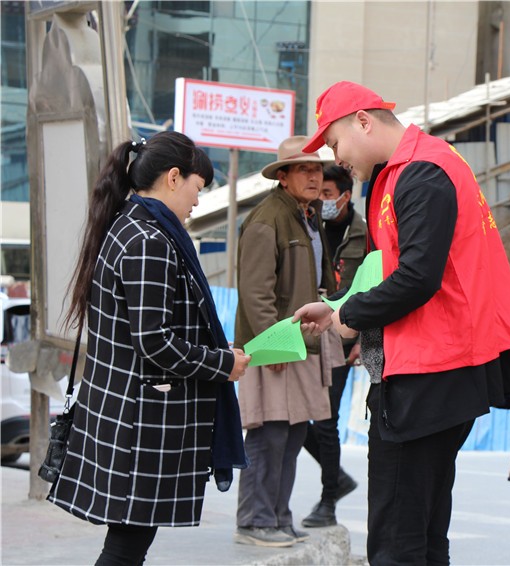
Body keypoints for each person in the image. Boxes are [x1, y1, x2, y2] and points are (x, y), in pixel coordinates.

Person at [294, 80, 510, 565]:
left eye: (335, 143)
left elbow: (419, 276)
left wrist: (349, 317)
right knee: (422, 533)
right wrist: (339, 303)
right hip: (435, 365)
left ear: (363, 122)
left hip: (429, 370)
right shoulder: (410, 168)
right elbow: (390, 271)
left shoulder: (422, 172)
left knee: (397, 539)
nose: (337, 159)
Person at [50, 131, 251, 566]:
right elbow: (154, 341)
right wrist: (222, 364)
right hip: (140, 423)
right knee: (125, 549)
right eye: (198, 187)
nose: (197, 201)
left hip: (127, 413)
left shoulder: (129, 225)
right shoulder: (149, 240)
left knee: (127, 545)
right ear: (174, 177)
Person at [233, 135, 344, 547]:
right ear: (283, 176)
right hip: (276, 343)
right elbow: (255, 291)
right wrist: (273, 345)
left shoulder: (306, 216)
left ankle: (278, 515)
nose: (314, 177)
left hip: (304, 340)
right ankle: (255, 520)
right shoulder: (268, 218)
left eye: (317, 169)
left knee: (295, 431)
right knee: (270, 431)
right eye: (303, 169)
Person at [300, 164, 366, 528]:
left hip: (343, 335)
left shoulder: (366, 234)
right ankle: (337, 478)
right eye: (319, 193)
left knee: (326, 419)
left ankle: (328, 501)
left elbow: (374, 287)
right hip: (307, 329)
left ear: (345, 195)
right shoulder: (310, 225)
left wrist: (362, 338)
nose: (322, 200)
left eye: (328, 194)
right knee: (295, 414)